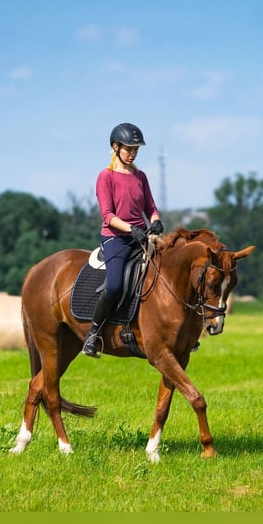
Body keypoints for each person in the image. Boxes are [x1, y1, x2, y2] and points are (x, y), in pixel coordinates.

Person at [82, 122, 165, 358]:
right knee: (115, 285)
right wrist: (131, 229)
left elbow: (151, 207)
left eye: (136, 149)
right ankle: (93, 334)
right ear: (115, 147)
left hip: (141, 236)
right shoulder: (105, 177)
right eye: (129, 149)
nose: (133, 153)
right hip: (116, 238)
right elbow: (108, 216)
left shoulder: (141, 176)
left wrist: (156, 220)